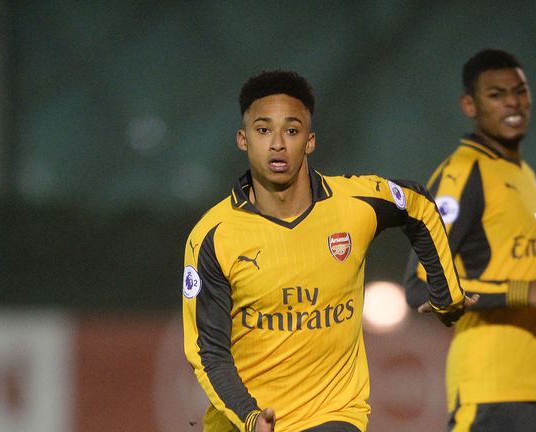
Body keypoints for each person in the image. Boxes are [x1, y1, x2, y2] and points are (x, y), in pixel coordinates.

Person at [182, 70, 471, 432]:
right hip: (243, 423)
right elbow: (208, 353)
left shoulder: (354, 204)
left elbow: (418, 205)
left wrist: (447, 294)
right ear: (243, 139)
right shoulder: (214, 236)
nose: (277, 144)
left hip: (334, 415)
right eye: (263, 130)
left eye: (291, 130)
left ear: (310, 140)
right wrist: (251, 416)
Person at [404, 49, 536, 431]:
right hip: (494, 390)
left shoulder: (524, 173)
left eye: (520, 91)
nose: (513, 102)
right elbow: (418, 286)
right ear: (469, 105)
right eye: (496, 94)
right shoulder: (463, 173)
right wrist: (524, 291)